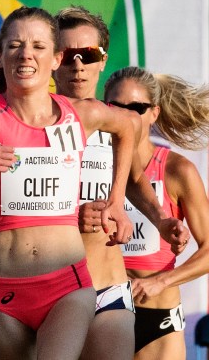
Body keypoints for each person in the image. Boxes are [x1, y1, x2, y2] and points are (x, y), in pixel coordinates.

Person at [0, 6, 135, 359]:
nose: (26, 54)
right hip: (0, 292)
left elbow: (127, 127)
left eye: (38, 46)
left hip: (67, 285)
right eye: (15, 45)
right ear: (0, 54)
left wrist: (116, 200)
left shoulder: (79, 114)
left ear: (55, 59)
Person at [53, 6, 189, 360]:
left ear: (103, 60)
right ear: (53, 59)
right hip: (51, 289)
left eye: (89, 54)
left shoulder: (115, 122)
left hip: (109, 288)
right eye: (68, 55)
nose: (78, 64)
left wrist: (160, 220)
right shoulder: (30, 124)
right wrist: (68, 216)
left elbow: (131, 179)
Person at [104, 67, 209, 359]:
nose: (126, 116)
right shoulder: (87, 160)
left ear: (154, 113)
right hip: (100, 318)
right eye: (116, 106)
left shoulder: (178, 171)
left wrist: (160, 281)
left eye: (137, 108)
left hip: (157, 321)